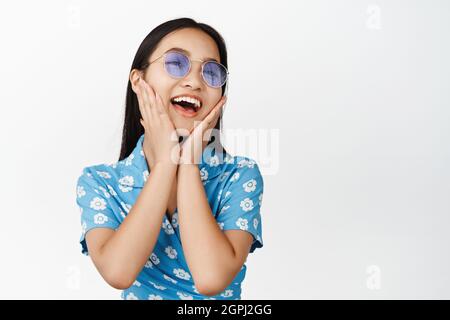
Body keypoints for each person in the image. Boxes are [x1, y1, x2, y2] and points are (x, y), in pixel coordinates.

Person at [75, 17, 264, 300]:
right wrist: (166, 163)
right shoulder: (100, 183)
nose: (194, 82)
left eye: (211, 73)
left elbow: (211, 279)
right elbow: (118, 273)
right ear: (139, 81)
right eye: (177, 63)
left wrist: (187, 162)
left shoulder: (238, 175)